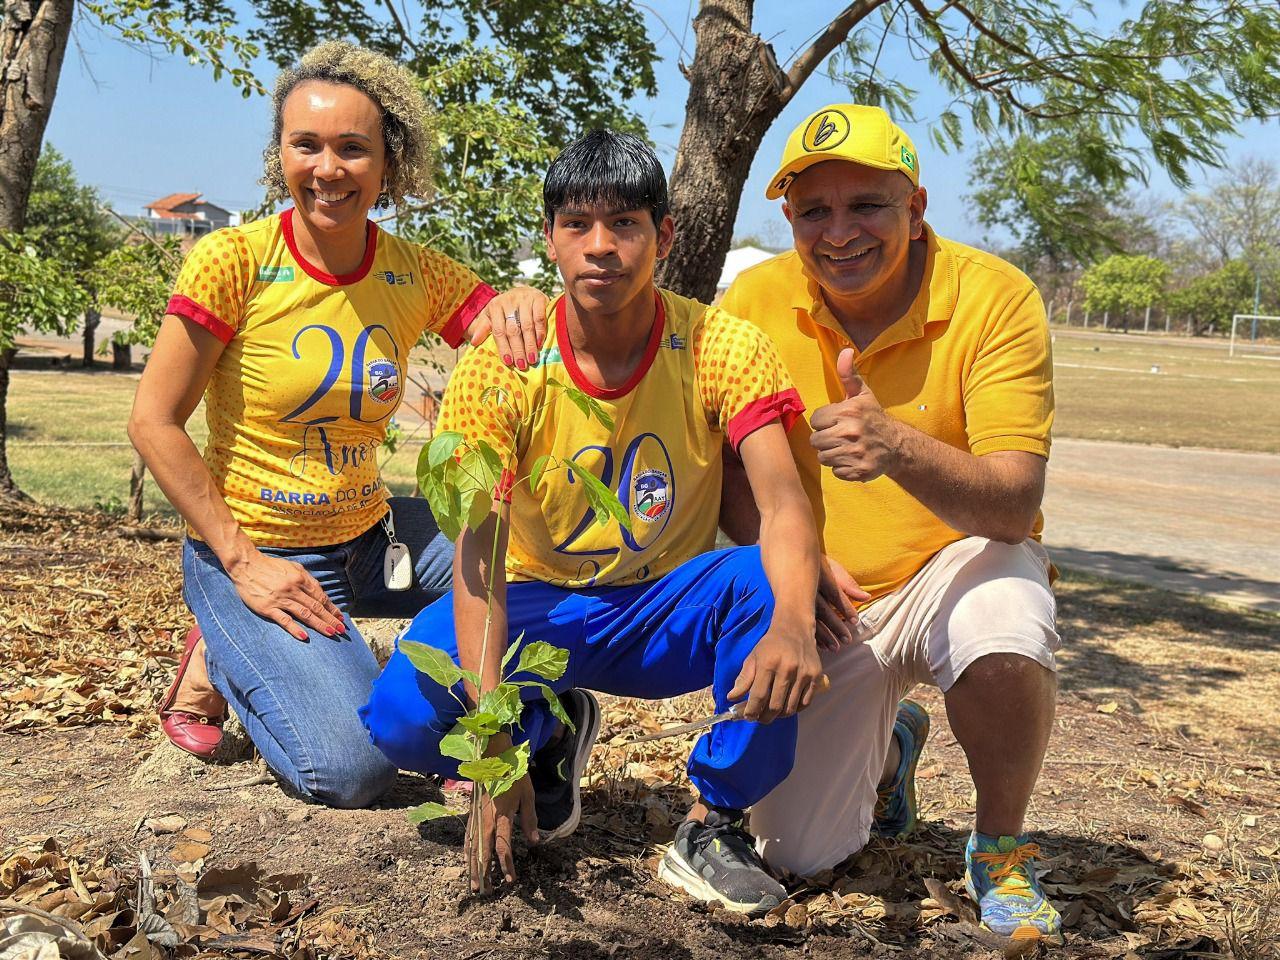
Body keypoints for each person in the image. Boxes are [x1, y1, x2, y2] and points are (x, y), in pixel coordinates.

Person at [361, 130, 824, 915]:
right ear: (550, 238)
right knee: (401, 720)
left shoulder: (720, 344)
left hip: (662, 606)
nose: (601, 246)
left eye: (626, 224)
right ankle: (543, 727)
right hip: (535, 602)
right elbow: (479, 557)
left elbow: (784, 504)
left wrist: (794, 624)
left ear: (664, 236)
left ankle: (715, 823)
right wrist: (494, 748)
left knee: (769, 583)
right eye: (577, 224)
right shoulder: (502, 363)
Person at [130, 41, 548, 807]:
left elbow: (504, 331)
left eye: (353, 148)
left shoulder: (413, 270)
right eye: (306, 145)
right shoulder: (234, 261)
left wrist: (522, 300)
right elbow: (154, 422)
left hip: (375, 540)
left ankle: (414, 693)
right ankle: (221, 646)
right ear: (280, 155)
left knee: (542, 571)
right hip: (254, 547)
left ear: (390, 163)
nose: (328, 169)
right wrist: (242, 563)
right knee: (354, 770)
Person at [719, 104, 1062, 943]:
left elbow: (1014, 504)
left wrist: (895, 445)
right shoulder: (755, 301)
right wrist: (796, 565)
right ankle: (892, 754)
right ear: (789, 219)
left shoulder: (993, 295)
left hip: (957, 567)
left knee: (1006, 623)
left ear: (915, 207)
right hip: (831, 597)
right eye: (814, 210)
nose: (839, 232)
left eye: (867, 205)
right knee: (797, 853)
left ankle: (1000, 851)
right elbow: (725, 477)